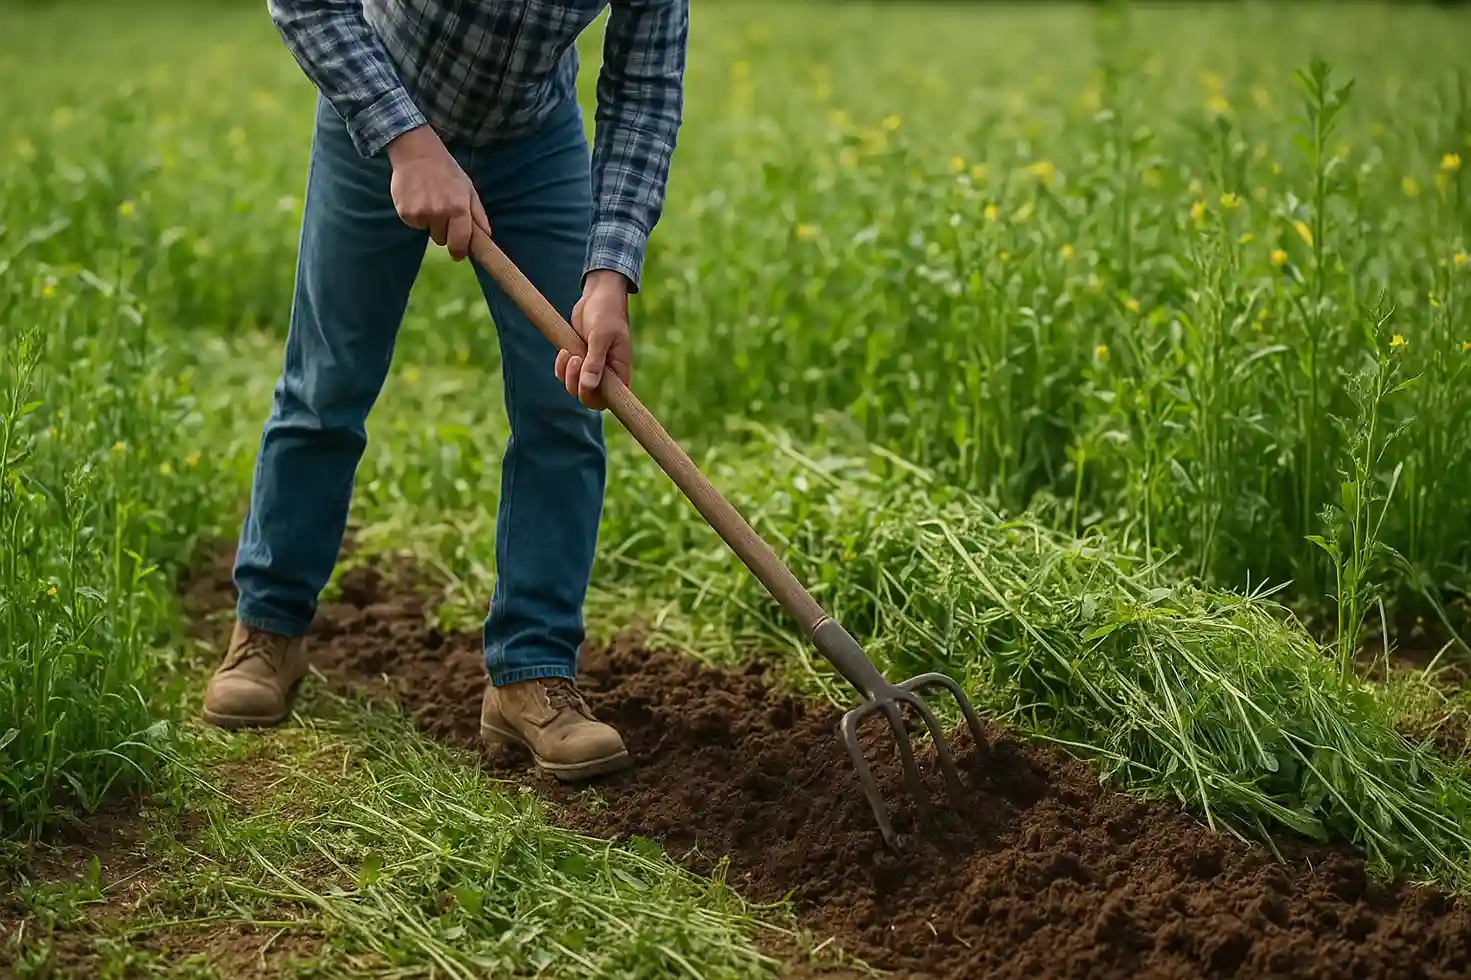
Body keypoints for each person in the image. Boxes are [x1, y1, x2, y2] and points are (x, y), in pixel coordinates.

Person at [201, 0, 689, 783]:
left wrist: (609, 272)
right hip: (380, 109)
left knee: (565, 400)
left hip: (533, 139)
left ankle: (529, 672)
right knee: (327, 385)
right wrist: (407, 139)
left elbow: (645, 85)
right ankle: (268, 629)